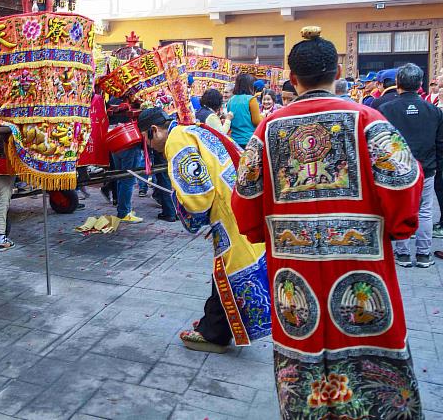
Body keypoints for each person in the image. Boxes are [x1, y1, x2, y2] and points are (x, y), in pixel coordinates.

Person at [231, 27, 424, 419]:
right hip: (360, 261)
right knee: (369, 331)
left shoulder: (270, 129)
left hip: (293, 263)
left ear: (293, 78)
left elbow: (245, 195)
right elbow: (404, 181)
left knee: (301, 339)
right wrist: (398, 227)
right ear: (337, 70)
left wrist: (259, 232)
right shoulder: (367, 121)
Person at [139, 107, 270, 353]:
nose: (151, 148)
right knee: (224, 271)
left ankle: (215, 332)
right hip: (236, 200)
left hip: (228, 209)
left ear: (153, 131)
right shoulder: (191, 130)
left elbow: (197, 194)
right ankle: (216, 324)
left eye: (147, 139)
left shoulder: (177, 141)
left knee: (228, 270)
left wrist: (190, 211)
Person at [379, 63, 443, 267]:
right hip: (427, 166)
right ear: (420, 84)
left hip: (397, 168)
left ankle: (403, 253)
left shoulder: (386, 109)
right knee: (425, 210)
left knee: (400, 208)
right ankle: (424, 254)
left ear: (398, 83)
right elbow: (440, 143)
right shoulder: (433, 111)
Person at [227, 73, 262, 148]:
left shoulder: (231, 100)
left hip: (234, 140)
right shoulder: (251, 100)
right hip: (248, 140)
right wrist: (263, 116)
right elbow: (256, 121)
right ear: (250, 85)